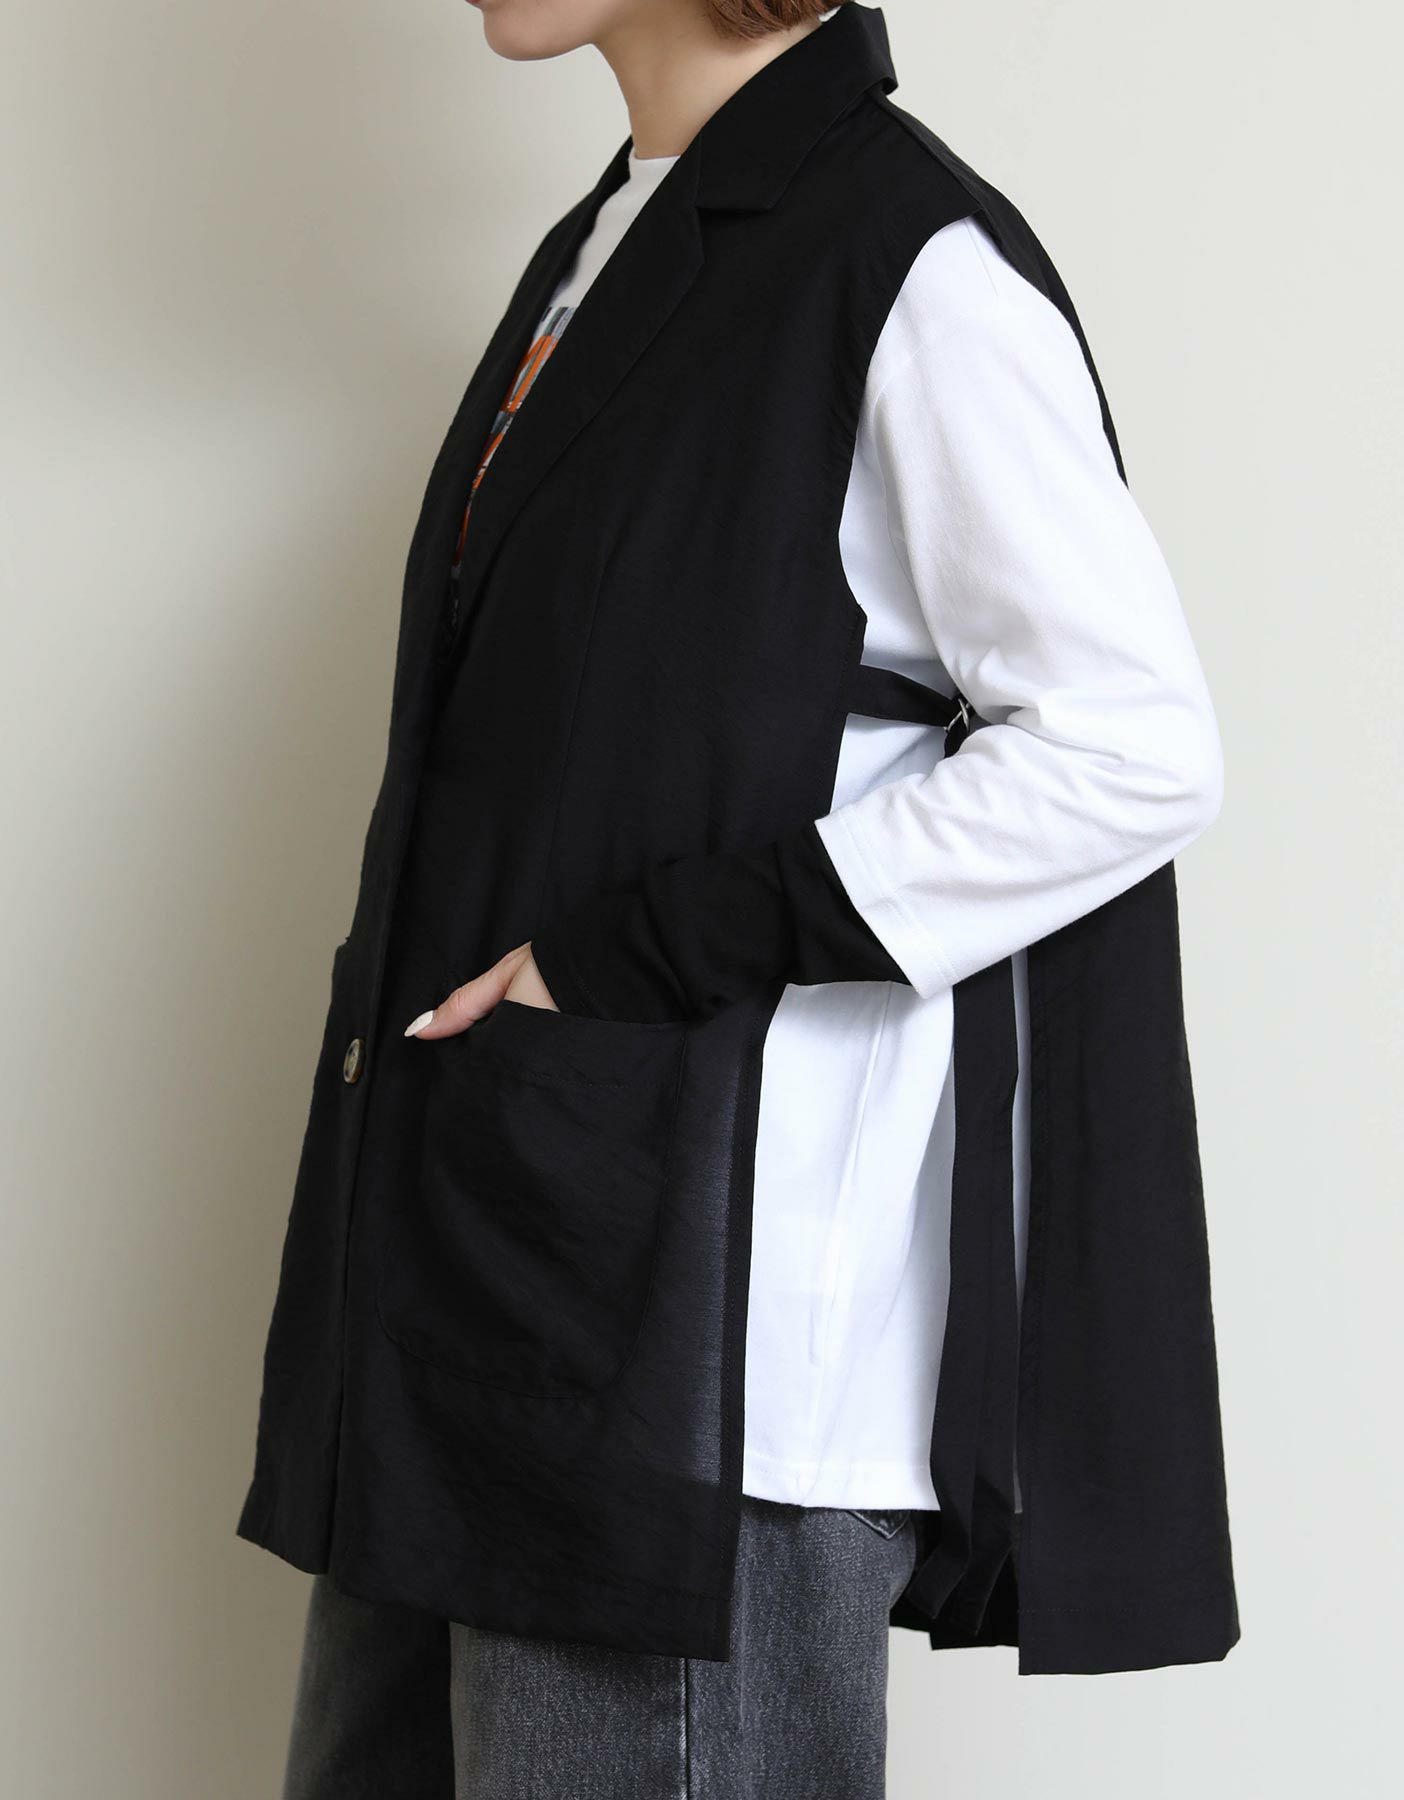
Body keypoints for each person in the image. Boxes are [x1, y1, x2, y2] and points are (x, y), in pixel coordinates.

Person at [244, 4, 1240, 1796]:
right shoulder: (617, 230)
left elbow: (1132, 747)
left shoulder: (908, 262)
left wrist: (638, 950)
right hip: (480, 1285)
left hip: (706, 1349)